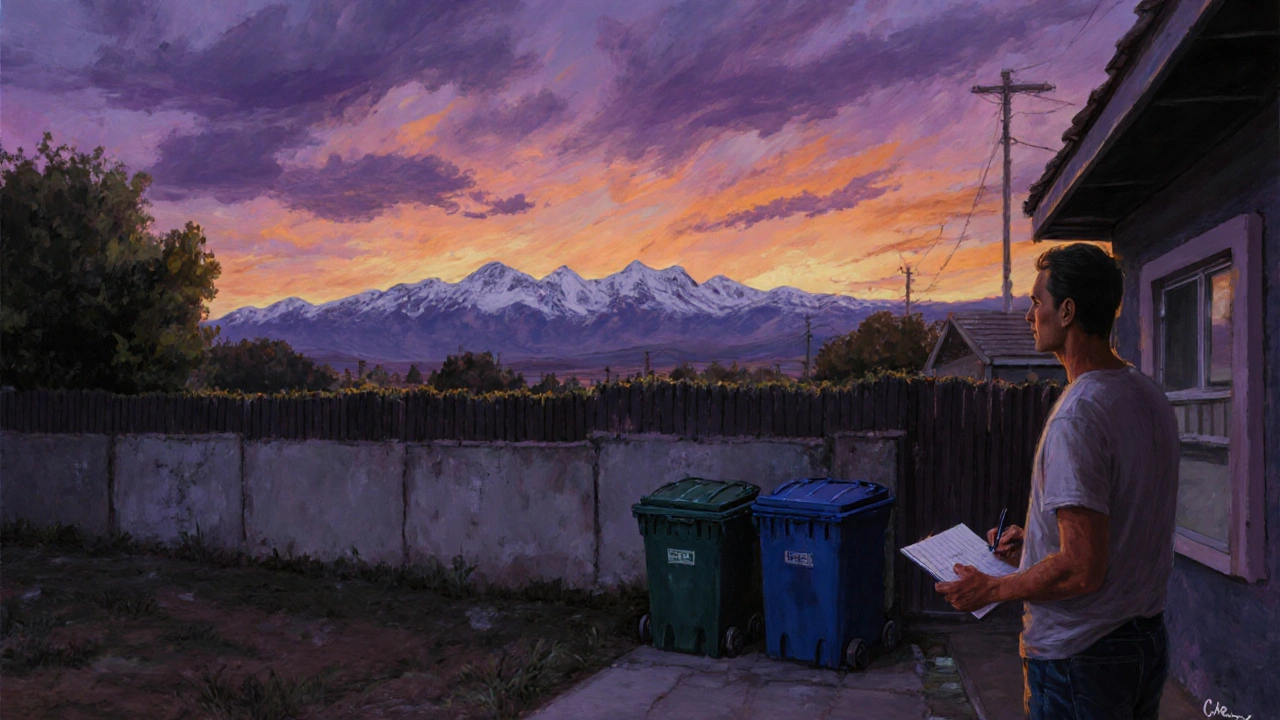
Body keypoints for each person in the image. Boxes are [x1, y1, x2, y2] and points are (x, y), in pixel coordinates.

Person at [935, 243, 1179, 720]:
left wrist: (992, 589)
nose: (1029, 315)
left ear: (1067, 311)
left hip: (1081, 657)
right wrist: (1034, 546)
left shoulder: (1078, 417)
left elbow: (1081, 568)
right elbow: (1118, 527)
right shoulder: (1147, 396)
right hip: (1144, 643)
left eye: (1036, 303)